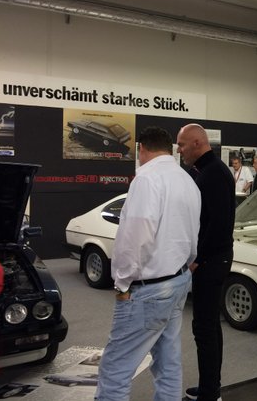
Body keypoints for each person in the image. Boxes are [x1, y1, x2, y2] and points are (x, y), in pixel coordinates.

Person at [95, 127, 201, 401]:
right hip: (178, 281)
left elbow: (135, 238)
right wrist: (188, 264)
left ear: (142, 149)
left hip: (149, 289)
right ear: (169, 148)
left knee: (116, 368)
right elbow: (193, 233)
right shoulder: (187, 179)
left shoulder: (146, 179)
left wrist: (122, 283)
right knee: (168, 361)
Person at [177, 124, 235, 401]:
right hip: (210, 258)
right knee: (206, 326)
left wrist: (198, 259)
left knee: (205, 327)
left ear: (198, 142)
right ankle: (209, 386)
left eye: (182, 144)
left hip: (212, 261)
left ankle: (210, 392)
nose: (179, 150)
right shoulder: (204, 171)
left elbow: (219, 224)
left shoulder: (215, 173)